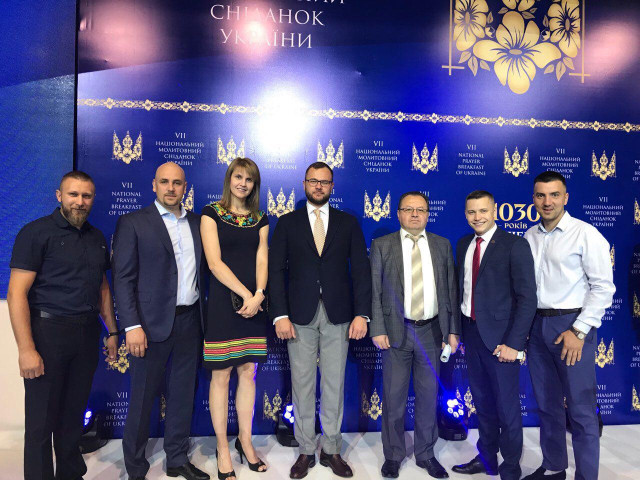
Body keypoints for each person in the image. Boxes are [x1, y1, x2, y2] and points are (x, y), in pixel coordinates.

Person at [7, 171, 119, 480]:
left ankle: (70, 475)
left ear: (92, 199)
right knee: (41, 424)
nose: (79, 202)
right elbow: (16, 294)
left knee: (72, 418)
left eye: (86, 196)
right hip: (47, 335)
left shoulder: (97, 238)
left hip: (86, 335)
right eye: (73, 194)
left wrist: (112, 331)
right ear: (59, 196)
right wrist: (26, 350)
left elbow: (102, 288)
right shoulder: (35, 233)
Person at [269, 161, 372, 479]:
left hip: (339, 315)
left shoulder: (347, 222)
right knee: (301, 385)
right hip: (298, 316)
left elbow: (361, 271)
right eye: (313, 181)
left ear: (332, 186)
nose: (318, 186)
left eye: (324, 182)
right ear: (304, 184)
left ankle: (331, 449)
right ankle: (305, 450)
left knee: (334, 385)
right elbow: (276, 271)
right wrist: (280, 314)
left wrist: (362, 314)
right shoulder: (287, 223)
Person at [112, 162, 209, 480]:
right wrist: (131, 326)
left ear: (185, 187)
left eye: (177, 183)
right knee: (141, 400)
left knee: (182, 396)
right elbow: (123, 279)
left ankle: (177, 459)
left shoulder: (198, 223)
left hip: (190, 321)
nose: (171, 188)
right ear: (154, 185)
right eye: (164, 182)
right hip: (148, 326)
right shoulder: (133, 222)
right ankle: (135, 468)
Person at [522, 171, 615, 480]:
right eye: (541, 195)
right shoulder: (529, 236)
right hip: (537, 327)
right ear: (534, 198)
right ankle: (553, 467)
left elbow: (603, 287)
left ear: (566, 197)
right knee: (547, 404)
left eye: (554, 195)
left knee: (581, 408)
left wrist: (579, 330)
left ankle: (586, 476)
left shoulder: (585, 234)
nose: (547, 201)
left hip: (572, 327)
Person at [370, 191, 459, 479]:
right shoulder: (382, 245)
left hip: (432, 331)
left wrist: (452, 330)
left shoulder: (442, 245)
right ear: (398, 214)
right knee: (393, 398)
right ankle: (393, 455)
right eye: (408, 209)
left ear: (428, 214)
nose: (415, 214)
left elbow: (450, 291)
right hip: (396, 331)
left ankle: (426, 454)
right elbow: (375, 290)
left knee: (428, 397)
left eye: (420, 209)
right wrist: (378, 328)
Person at [451, 190, 537, 480]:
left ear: (495, 211)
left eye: (483, 211)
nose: (477, 217)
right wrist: (457, 331)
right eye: (472, 212)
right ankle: (487, 458)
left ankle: (510, 467)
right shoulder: (463, 243)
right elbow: (462, 292)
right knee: (483, 404)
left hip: (502, 341)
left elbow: (527, 299)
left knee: (507, 408)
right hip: (471, 335)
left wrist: (514, 343)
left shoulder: (515, 245)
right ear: (466, 214)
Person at [200, 157, 269, 480]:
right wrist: (246, 295)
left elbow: (262, 257)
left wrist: (259, 295)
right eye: (238, 177)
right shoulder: (211, 213)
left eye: (249, 179)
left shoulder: (260, 218)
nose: (243, 183)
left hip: (254, 305)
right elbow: (214, 263)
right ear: (229, 179)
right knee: (221, 375)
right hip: (223, 305)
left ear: (254, 185)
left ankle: (245, 440)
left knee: (248, 373)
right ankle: (222, 447)